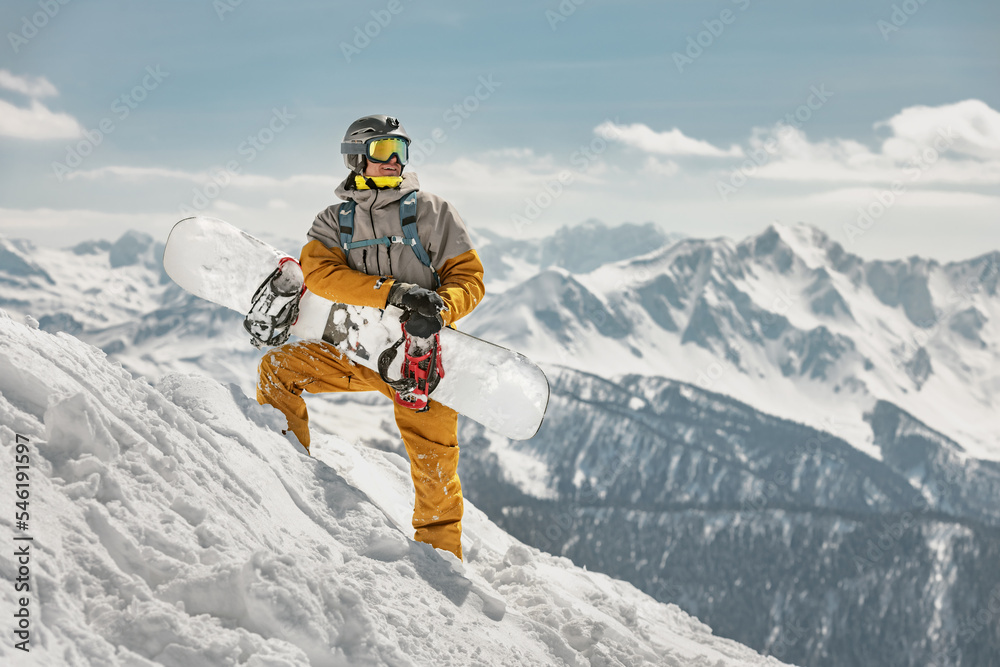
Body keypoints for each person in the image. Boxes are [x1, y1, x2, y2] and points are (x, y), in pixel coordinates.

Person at [256, 115, 485, 560]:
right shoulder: (333, 221)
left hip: (420, 362)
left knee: (434, 465)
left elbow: (469, 278)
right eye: (384, 151)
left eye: (401, 150)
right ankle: (283, 480)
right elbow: (319, 275)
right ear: (357, 158)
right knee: (278, 371)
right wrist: (392, 292)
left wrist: (441, 309)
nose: (395, 160)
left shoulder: (433, 213)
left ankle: (441, 561)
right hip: (355, 351)